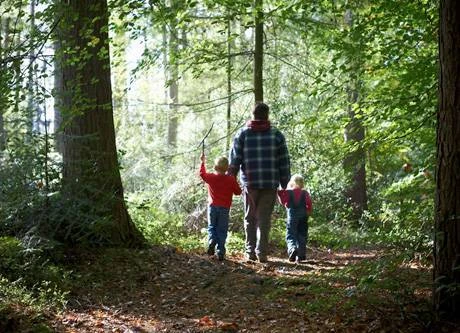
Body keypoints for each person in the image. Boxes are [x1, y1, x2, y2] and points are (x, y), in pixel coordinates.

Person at [228, 102, 290, 263]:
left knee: (250, 218)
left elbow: (235, 160)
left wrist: (230, 177)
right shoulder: (276, 135)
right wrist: (285, 183)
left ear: (253, 115)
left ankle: (250, 252)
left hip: (250, 182)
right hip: (270, 182)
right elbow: (284, 161)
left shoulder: (242, 134)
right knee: (264, 219)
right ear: (267, 115)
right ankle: (262, 253)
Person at [199, 153, 242, 261]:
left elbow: (202, 174)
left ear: (215, 167)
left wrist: (202, 162)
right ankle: (221, 252)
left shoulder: (211, 177)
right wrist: (235, 181)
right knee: (222, 230)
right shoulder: (230, 179)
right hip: (224, 209)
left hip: (212, 207)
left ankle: (211, 241)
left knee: (212, 227)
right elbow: (238, 192)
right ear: (227, 168)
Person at [277, 174, 312, 262]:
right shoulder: (305, 193)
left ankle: (292, 249)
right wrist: (308, 212)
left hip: (292, 217)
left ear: (291, 182)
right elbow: (309, 204)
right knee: (302, 235)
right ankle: (301, 255)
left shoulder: (289, 192)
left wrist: (280, 192)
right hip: (303, 217)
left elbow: (283, 202)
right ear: (302, 183)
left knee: (291, 235)